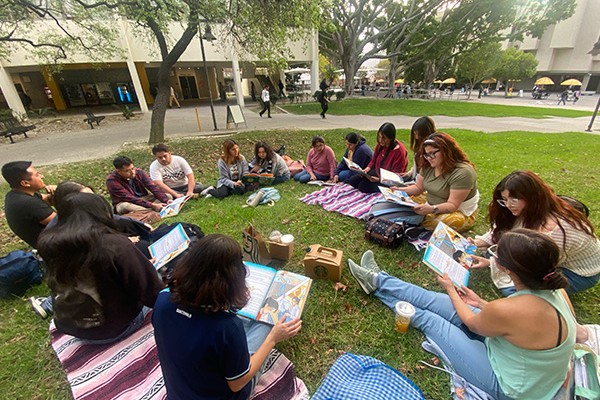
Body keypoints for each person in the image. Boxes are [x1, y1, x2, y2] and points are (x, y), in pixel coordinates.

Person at [349, 229, 576, 400]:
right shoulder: (555, 290)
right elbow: (522, 323)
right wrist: (479, 302)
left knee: (432, 320)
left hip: (509, 385)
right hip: (513, 351)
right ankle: (380, 279)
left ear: (508, 269)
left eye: (496, 254)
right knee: (433, 300)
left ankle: (375, 287)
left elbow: (471, 323)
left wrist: (450, 288)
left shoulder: (508, 309)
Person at [152, 234, 302, 400]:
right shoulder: (227, 326)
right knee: (266, 323)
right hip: (227, 394)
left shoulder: (162, 300)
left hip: (180, 392)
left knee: (244, 322)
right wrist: (272, 339)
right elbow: (237, 384)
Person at [36, 192, 163, 341]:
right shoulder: (115, 246)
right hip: (114, 328)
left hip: (70, 325)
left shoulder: (47, 243)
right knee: (157, 274)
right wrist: (148, 269)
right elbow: (152, 294)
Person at [469, 170, 600, 295]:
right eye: (504, 199)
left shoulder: (554, 229)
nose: (508, 204)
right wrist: (478, 242)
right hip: (548, 259)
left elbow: (536, 264)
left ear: (532, 197)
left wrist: (492, 263)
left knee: (516, 289)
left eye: (514, 199)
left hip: (576, 272)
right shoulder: (527, 210)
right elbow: (501, 230)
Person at [400, 132, 478, 232]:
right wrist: (396, 190)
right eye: (426, 154)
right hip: (432, 202)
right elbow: (418, 188)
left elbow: (452, 205)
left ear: (446, 151)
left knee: (455, 221)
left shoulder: (463, 173)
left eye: (432, 153)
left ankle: (417, 222)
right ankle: (418, 221)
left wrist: (432, 209)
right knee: (404, 199)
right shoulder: (428, 165)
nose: (429, 158)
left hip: (457, 210)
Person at [2, 161, 56, 248]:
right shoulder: (28, 203)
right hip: (56, 248)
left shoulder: (16, 194)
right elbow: (65, 223)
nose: (42, 176)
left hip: (50, 242)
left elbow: (49, 200)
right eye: (37, 175)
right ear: (25, 183)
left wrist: (57, 192)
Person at [347, 122, 408, 193]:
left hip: (390, 180)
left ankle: (384, 188)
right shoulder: (380, 145)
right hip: (377, 172)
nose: (381, 140)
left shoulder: (399, 151)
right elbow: (373, 160)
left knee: (363, 187)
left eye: (384, 138)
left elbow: (395, 176)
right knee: (352, 181)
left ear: (391, 138)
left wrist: (378, 179)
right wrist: (366, 170)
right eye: (379, 137)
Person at [106, 155, 171, 214]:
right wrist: (152, 205)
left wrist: (166, 200)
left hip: (143, 198)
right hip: (127, 202)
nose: (132, 172)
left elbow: (152, 187)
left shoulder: (139, 172)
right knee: (124, 207)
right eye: (127, 171)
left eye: (132, 168)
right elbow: (129, 198)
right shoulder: (112, 181)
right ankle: (152, 212)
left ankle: (148, 211)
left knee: (167, 196)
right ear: (119, 171)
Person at [403, 116, 436, 182]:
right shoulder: (419, 146)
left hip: (422, 183)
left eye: (417, 135)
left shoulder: (431, 149)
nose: (416, 138)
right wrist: (408, 174)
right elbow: (416, 166)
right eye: (414, 134)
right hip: (415, 180)